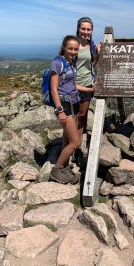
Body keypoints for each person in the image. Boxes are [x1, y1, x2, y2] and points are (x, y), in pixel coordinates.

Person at [49, 35, 81, 184]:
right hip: (64, 104)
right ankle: (57, 170)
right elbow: (54, 90)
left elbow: (73, 86)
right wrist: (60, 110)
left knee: (67, 138)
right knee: (76, 142)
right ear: (64, 47)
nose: (73, 51)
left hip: (74, 101)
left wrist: (90, 89)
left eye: (75, 49)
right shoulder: (57, 63)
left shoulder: (72, 62)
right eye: (70, 48)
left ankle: (64, 167)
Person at [75, 17, 100, 144]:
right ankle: (71, 143)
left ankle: (80, 140)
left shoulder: (92, 45)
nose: (85, 32)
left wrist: (98, 55)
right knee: (72, 116)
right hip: (72, 85)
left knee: (83, 115)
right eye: (83, 28)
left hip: (87, 84)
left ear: (91, 31)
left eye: (88, 29)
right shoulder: (72, 44)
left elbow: (91, 64)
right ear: (78, 29)